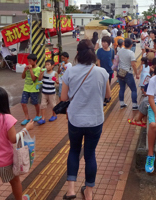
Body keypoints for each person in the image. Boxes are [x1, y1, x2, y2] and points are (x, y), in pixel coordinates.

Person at [61, 39, 111, 200]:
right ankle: (88, 192)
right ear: (93, 54)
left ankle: (71, 190)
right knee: (90, 154)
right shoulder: (102, 72)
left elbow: (63, 97)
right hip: (95, 120)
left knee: (74, 151)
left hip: (75, 119)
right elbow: (108, 96)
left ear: (77, 54)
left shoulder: (70, 72)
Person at [117, 38, 139, 110]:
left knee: (122, 88)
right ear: (131, 45)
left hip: (120, 71)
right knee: (133, 89)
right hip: (128, 73)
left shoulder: (119, 51)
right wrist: (137, 74)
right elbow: (133, 64)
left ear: (123, 43)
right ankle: (134, 105)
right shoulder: (131, 53)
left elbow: (116, 61)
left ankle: (121, 103)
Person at [21, 54, 42, 125]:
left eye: (30, 61)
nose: (29, 63)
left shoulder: (38, 69)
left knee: (35, 103)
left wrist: (30, 70)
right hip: (26, 88)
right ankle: (27, 117)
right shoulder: (27, 68)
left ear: (35, 61)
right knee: (23, 103)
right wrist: (24, 70)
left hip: (33, 89)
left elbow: (33, 79)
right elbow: (23, 77)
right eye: (28, 61)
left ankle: (38, 115)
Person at [37, 60, 59, 125]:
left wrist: (55, 79)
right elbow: (39, 79)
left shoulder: (54, 73)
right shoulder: (44, 72)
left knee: (53, 105)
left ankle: (54, 115)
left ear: (52, 66)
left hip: (51, 92)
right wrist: (41, 73)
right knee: (43, 105)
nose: (46, 66)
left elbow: (57, 82)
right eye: (46, 65)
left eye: (48, 65)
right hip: (44, 92)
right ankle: (43, 118)